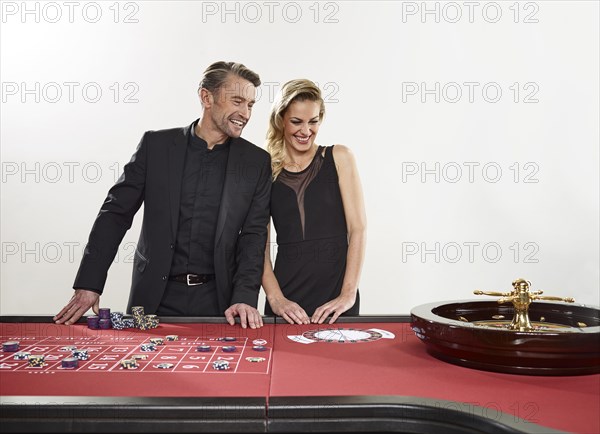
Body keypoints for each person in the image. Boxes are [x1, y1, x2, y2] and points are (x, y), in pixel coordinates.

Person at [54, 61, 272, 329]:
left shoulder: (257, 162)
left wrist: (245, 297)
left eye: (250, 104)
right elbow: (115, 214)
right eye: (237, 101)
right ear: (206, 97)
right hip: (154, 297)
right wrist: (89, 283)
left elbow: (253, 236)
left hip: (222, 303)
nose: (245, 113)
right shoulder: (155, 146)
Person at [261, 79, 367, 325]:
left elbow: (358, 230)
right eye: (296, 121)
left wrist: (348, 294)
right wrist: (276, 298)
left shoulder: (340, 157)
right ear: (281, 120)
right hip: (286, 301)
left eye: (313, 121)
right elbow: (259, 245)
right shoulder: (264, 169)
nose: (306, 131)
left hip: (336, 300)